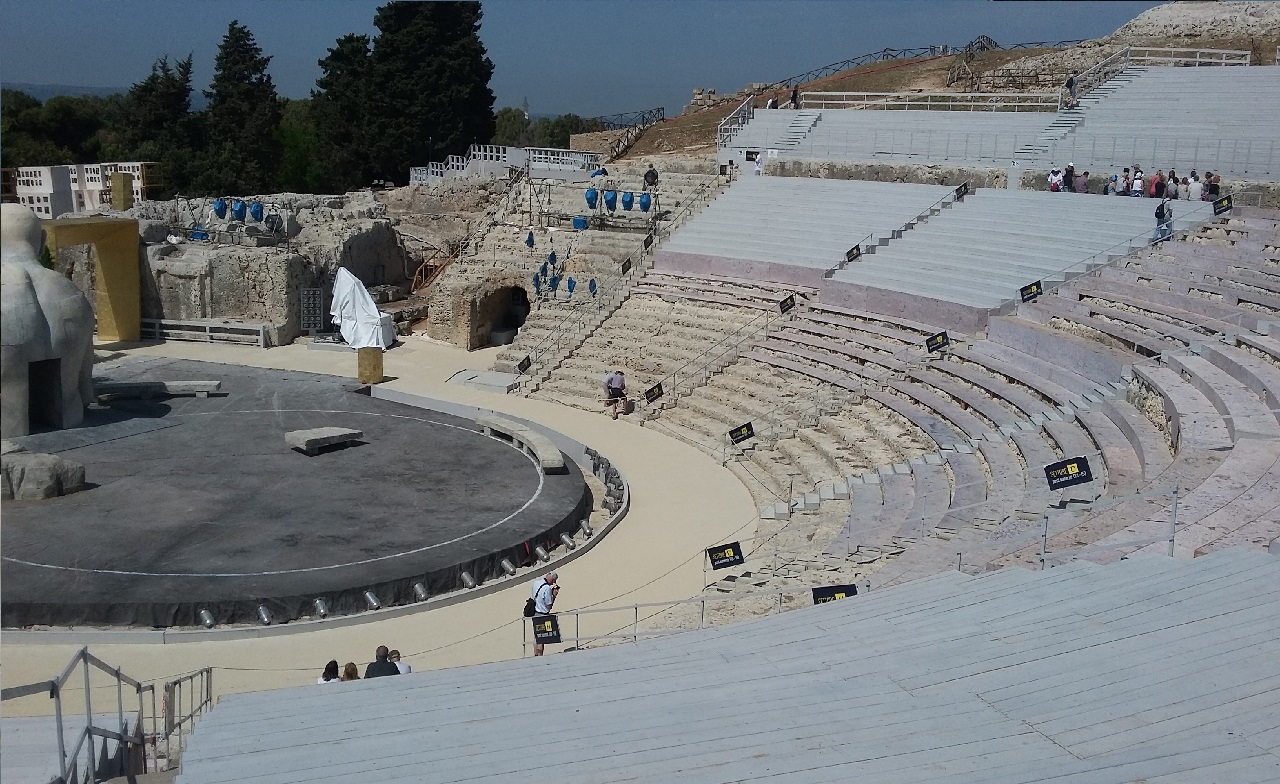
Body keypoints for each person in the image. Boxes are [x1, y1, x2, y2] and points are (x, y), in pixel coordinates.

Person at [530, 572, 560, 656]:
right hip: (543, 615)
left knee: (536, 636)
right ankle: (539, 656)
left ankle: (535, 654)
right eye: (554, 581)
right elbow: (549, 606)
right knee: (542, 638)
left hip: (534, 612)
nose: (553, 583)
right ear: (552, 579)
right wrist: (554, 595)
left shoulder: (536, 583)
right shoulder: (547, 588)